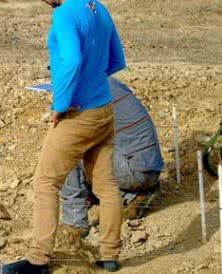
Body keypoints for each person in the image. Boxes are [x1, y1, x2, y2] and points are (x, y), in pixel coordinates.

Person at [3, 0, 126, 274]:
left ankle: (38, 259)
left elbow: (71, 61)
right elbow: (115, 61)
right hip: (105, 109)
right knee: (106, 186)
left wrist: (61, 104)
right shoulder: (98, 7)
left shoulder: (65, 16)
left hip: (79, 114)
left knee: (45, 183)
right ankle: (110, 255)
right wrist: (91, 82)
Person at [61, 77, 164, 235]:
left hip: (132, 169)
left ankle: (75, 224)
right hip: (148, 169)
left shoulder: (87, 91)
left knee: (68, 152)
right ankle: (132, 196)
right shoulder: (106, 83)